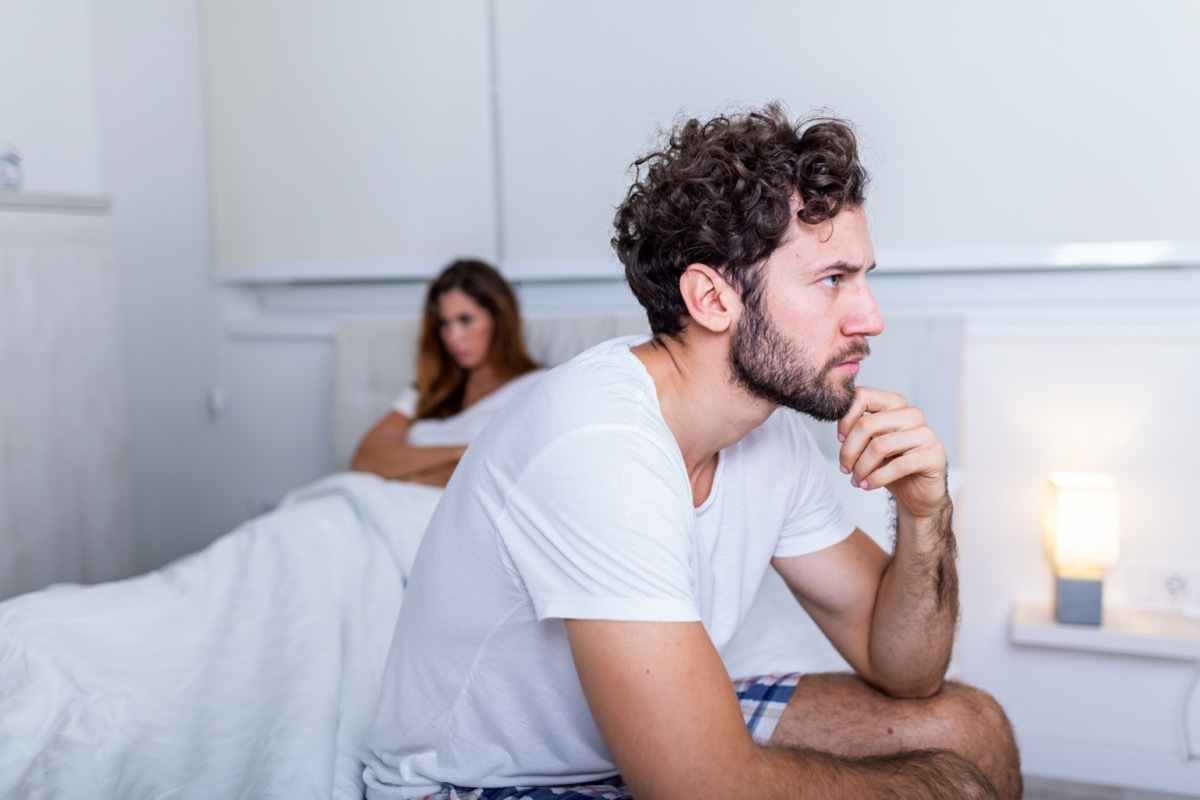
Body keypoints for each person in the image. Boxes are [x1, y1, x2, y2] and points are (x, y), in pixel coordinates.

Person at [363, 104, 1021, 799]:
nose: (870, 319)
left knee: (969, 727)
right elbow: (701, 788)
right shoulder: (599, 443)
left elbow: (907, 672)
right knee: (952, 786)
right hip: (479, 785)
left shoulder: (771, 435)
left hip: (623, 745)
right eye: (833, 279)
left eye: (864, 278)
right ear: (712, 297)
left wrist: (925, 515)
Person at [351, 258, 541, 488]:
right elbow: (365, 460)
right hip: (383, 499)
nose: (453, 337)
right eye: (444, 323)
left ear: (499, 319)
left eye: (465, 320)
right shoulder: (427, 389)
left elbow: (512, 473)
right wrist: (463, 453)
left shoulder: (535, 387)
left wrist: (407, 469)